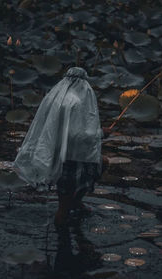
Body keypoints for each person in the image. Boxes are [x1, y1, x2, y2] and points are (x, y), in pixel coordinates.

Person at [12, 66, 111, 226]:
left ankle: (76, 202)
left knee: (102, 162)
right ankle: (62, 242)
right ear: (82, 83)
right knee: (62, 211)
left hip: (56, 156)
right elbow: (75, 136)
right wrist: (100, 133)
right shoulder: (76, 102)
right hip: (71, 161)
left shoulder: (56, 97)